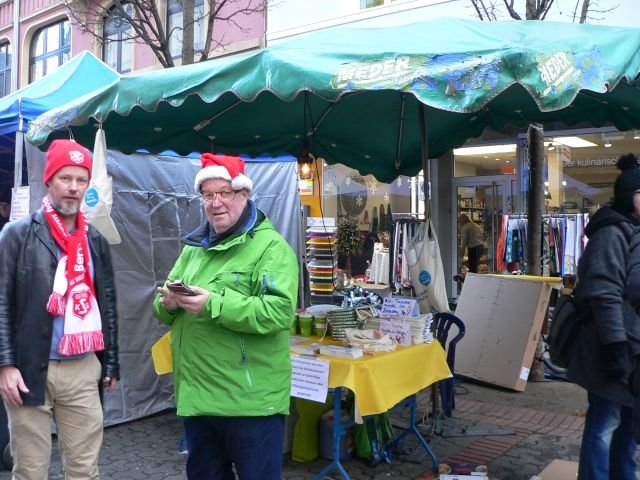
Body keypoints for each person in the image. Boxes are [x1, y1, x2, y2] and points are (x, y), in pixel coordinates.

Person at [153, 153, 299, 480]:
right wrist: (170, 303)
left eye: (225, 193)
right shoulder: (193, 248)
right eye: (208, 195)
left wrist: (213, 305)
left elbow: (278, 313)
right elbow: (162, 306)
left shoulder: (271, 248)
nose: (216, 202)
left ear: (244, 195)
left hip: (249, 404)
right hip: (199, 400)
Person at [0, 139, 120, 479]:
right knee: (30, 471)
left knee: (84, 470)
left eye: (81, 180)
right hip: (26, 369)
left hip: (82, 369)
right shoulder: (17, 234)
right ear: (49, 180)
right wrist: (5, 364)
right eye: (65, 178)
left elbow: (108, 302)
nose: (73, 188)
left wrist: (110, 360)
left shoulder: (94, 239)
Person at [567, 153, 640, 480]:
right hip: (608, 347)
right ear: (633, 197)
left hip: (630, 348)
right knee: (604, 424)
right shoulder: (612, 232)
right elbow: (603, 292)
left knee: (627, 422)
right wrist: (615, 347)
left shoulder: (633, 231)